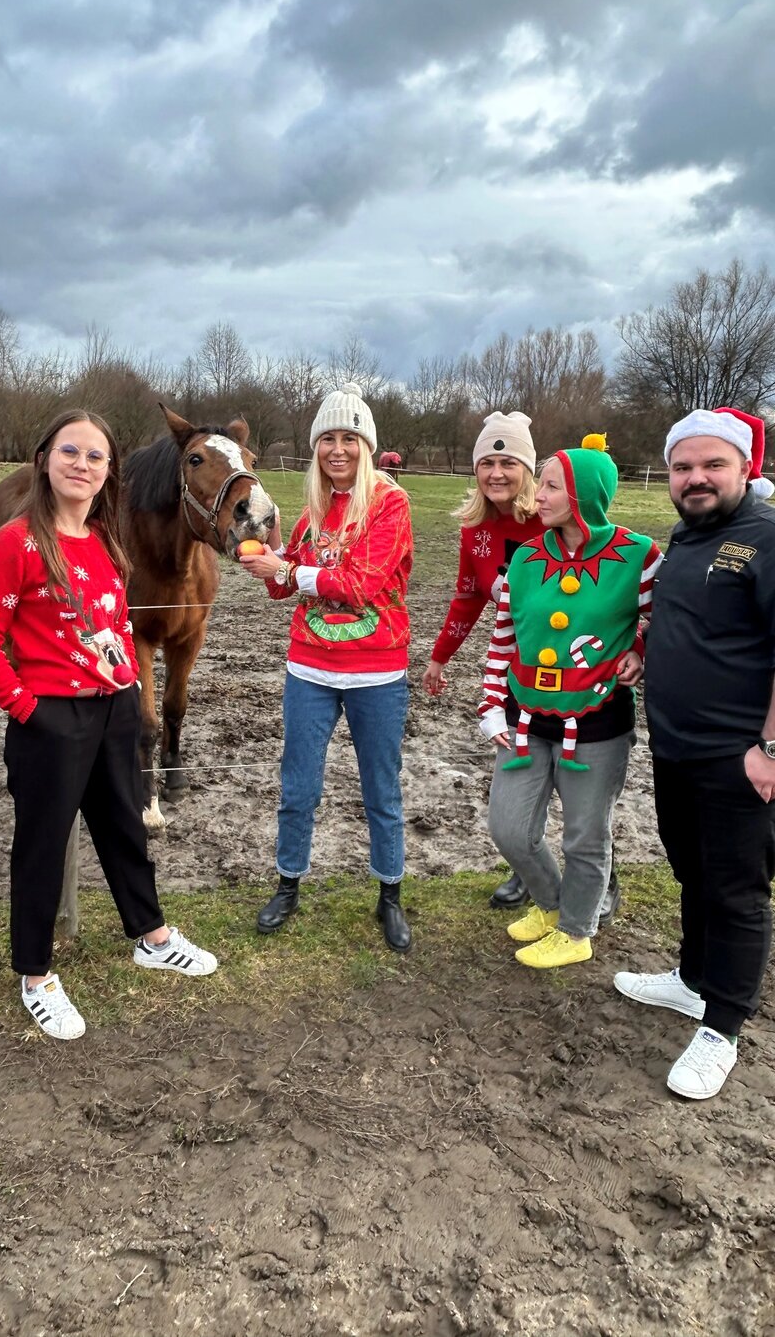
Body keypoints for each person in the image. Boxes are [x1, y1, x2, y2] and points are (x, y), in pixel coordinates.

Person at [0, 409, 217, 1040]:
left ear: (110, 474)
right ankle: (36, 975)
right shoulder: (14, 544)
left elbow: (110, 628)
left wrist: (128, 689)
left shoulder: (107, 542)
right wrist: (26, 710)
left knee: (124, 827)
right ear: (46, 459)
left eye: (96, 457)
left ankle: (151, 935)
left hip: (112, 709)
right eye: (70, 452)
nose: (82, 465)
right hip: (49, 716)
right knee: (43, 845)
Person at [615, 407, 775, 1100]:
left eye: (712, 465)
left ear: (746, 467)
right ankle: (689, 979)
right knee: (689, 867)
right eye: (683, 467)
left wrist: (769, 747)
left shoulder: (765, 539)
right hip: (675, 746)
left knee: (737, 889)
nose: (696, 478)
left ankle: (723, 1027)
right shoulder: (684, 537)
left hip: (739, 755)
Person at [239, 382, 414, 950]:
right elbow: (285, 582)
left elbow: (363, 585)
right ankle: (288, 884)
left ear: (367, 445)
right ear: (315, 448)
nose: (338, 449)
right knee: (298, 786)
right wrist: (268, 562)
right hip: (309, 670)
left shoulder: (391, 504)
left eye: (350, 438)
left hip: (377, 673)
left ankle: (390, 894)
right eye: (327, 439)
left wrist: (290, 573)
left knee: (380, 790)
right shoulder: (313, 511)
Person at [478, 435, 661, 969]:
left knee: (586, 836)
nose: (538, 495)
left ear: (584, 495)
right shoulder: (527, 559)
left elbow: (665, 615)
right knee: (509, 828)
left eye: (552, 485)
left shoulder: (640, 555)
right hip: (526, 716)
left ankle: (577, 930)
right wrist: (491, 703)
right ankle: (553, 904)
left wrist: (640, 647)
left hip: (599, 724)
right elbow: (503, 636)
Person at [422, 411, 547, 911]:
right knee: (518, 778)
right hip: (515, 676)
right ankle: (527, 868)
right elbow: (469, 595)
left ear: (528, 469)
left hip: (574, 677)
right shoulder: (474, 530)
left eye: (508, 461)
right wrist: (438, 659)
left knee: (575, 785)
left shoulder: (553, 517)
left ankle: (601, 880)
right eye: (487, 462)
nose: (496, 472)